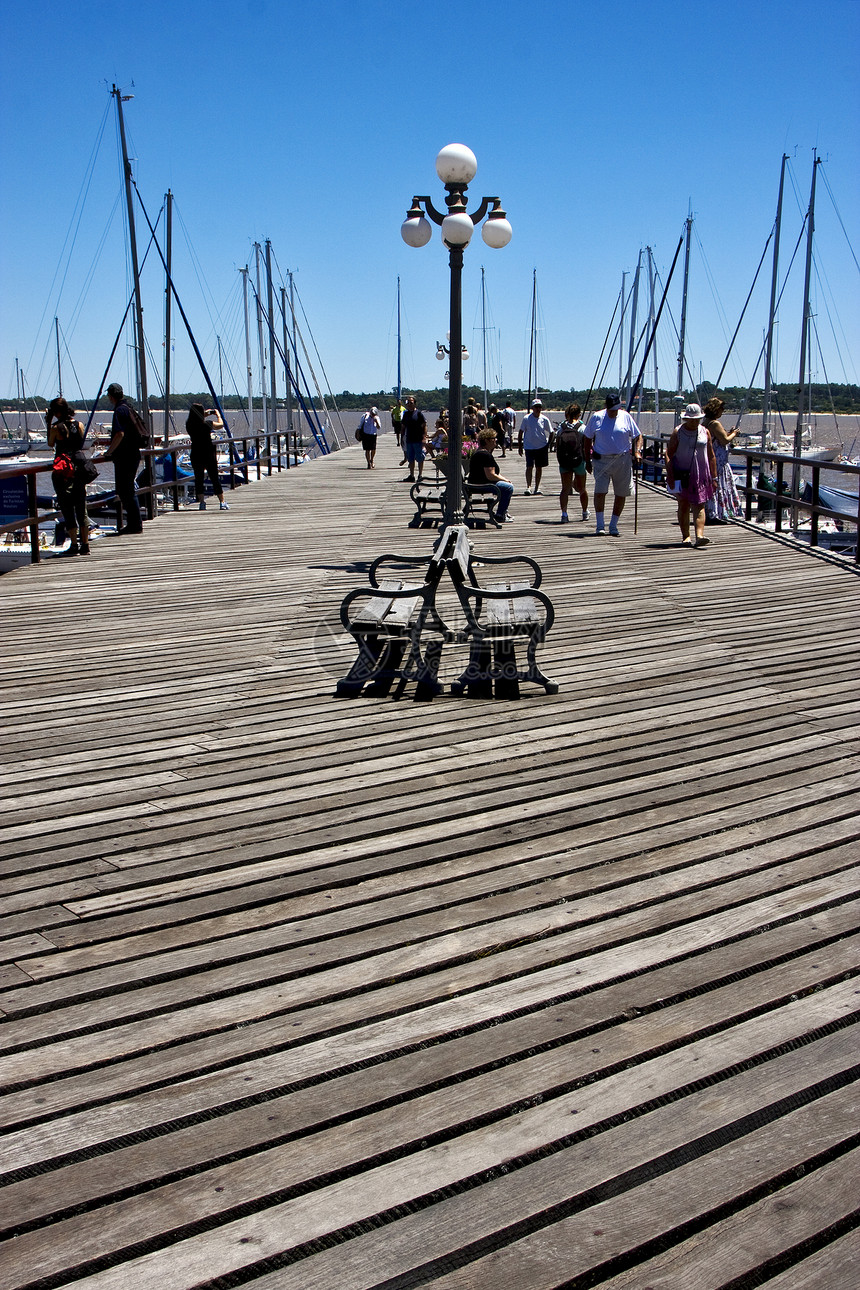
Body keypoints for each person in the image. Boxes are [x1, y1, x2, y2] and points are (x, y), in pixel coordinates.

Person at [583, 394, 642, 535]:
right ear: (607, 407)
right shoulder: (597, 417)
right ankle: (600, 525)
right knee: (600, 491)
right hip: (601, 459)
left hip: (622, 459)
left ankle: (613, 525)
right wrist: (587, 460)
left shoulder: (625, 416)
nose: (614, 412)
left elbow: (638, 436)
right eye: (612, 409)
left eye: (616, 409)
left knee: (621, 493)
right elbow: (586, 439)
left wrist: (637, 451)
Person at [665, 402, 718, 547]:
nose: (695, 422)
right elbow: (669, 453)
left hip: (701, 473)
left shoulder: (705, 431)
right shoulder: (678, 432)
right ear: (686, 419)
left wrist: (714, 477)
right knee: (683, 503)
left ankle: (699, 535)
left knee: (700, 504)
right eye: (692, 419)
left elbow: (711, 455)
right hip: (682, 473)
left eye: (697, 419)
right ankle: (686, 536)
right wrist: (670, 474)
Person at [46, 397, 90, 556]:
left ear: (56, 412)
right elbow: (80, 443)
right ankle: (85, 545)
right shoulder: (79, 425)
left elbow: (50, 444)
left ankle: (73, 545)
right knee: (81, 507)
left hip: (63, 471)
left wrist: (48, 423)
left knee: (67, 507)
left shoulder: (56, 428)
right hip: (79, 469)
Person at [97, 382, 144, 535]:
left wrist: (108, 452)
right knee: (128, 490)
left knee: (126, 491)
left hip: (125, 456)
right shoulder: (129, 408)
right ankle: (134, 524)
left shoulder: (119, 410)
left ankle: (135, 525)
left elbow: (119, 434)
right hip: (134, 454)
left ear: (111, 396)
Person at [703, 396, 742, 524]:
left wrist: (728, 433)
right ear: (716, 409)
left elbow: (721, 436)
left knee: (714, 488)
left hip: (710, 459)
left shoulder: (705, 422)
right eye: (721, 408)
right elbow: (724, 440)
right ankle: (718, 513)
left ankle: (713, 512)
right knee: (719, 487)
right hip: (718, 461)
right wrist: (734, 434)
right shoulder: (714, 423)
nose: (723, 411)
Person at [552, 403, 591, 523]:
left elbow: (557, 443)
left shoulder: (561, 428)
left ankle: (564, 514)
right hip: (579, 461)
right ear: (579, 414)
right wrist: (588, 461)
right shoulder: (582, 427)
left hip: (564, 461)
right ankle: (584, 512)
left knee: (565, 489)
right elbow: (586, 445)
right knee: (582, 488)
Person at [186, 404, 229, 509]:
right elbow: (220, 425)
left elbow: (196, 417)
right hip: (208, 453)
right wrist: (218, 415)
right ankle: (222, 502)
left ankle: (202, 503)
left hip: (196, 453)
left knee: (199, 479)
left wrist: (206, 413)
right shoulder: (207, 424)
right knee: (214, 478)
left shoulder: (189, 424)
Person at [467, 427, 514, 522]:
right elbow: (490, 475)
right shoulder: (485, 455)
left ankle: (503, 511)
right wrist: (505, 481)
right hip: (481, 485)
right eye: (493, 438)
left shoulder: (481, 452)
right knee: (508, 487)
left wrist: (504, 479)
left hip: (477, 483)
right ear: (487, 441)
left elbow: (494, 473)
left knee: (507, 485)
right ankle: (500, 514)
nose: (496, 440)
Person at [517, 398, 554, 495]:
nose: (538, 409)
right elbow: (521, 432)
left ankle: (537, 488)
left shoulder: (544, 419)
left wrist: (548, 444)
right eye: (536, 407)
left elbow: (551, 432)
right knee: (529, 466)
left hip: (541, 446)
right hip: (529, 446)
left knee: (539, 467)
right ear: (532, 408)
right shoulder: (526, 418)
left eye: (539, 407)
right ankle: (528, 487)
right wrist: (520, 446)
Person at [401, 396, 428, 483]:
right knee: (410, 458)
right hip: (409, 439)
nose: (409, 404)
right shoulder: (406, 414)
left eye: (411, 403)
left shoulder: (419, 414)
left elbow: (424, 426)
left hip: (418, 439)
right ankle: (411, 475)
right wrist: (401, 438)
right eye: (408, 403)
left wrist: (424, 437)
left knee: (420, 458)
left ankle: (420, 475)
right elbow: (403, 426)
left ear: (415, 404)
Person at [358, 405, 381, 469]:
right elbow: (360, 426)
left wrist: (376, 421)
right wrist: (358, 433)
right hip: (366, 435)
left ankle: (372, 460)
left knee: (373, 449)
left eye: (374, 414)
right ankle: (368, 463)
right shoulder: (365, 416)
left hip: (373, 435)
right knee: (367, 450)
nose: (373, 415)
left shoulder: (377, 418)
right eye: (372, 413)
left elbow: (379, 427)